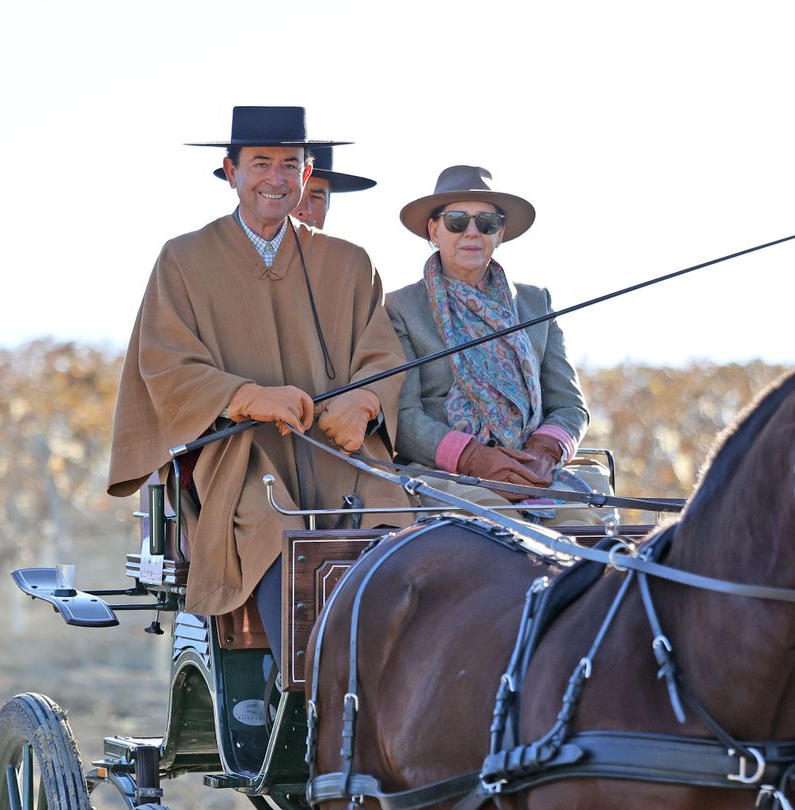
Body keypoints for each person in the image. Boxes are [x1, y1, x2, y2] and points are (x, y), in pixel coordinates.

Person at [108, 106, 411, 662]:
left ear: (306, 170)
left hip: (342, 450)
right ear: (231, 171)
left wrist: (364, 403)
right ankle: (298, 690)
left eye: (289, 164)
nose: (275, 178)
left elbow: (381, 356)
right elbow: (166, 364)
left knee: (397, 531)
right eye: (261, 163)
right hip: (239, 455)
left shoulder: (349, 262)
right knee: (272, 530)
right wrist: (248, 398)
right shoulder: (184, 258)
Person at [386, 165, 610, 526]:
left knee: (585, 528)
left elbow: (569, 406)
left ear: (500, 233)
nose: (472, 232)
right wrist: (475, 459)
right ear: (434, 230)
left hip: (537, 473)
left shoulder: (537, 304)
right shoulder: (401, 308)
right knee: (497, 530)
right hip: (448, 474)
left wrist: (543, 453)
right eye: (457, 221)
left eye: (486, 223)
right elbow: (406, 419)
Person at [213, 144, 375, 230]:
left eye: (317, 197)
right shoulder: (202, 259)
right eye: (262, 164)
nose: (304, 209)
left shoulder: (349, 271)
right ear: (232, 173)